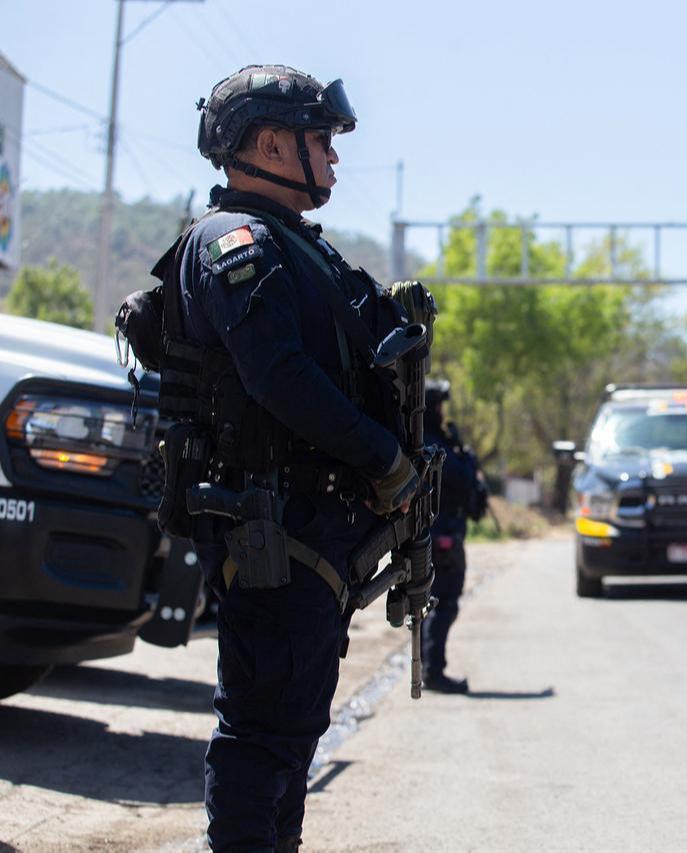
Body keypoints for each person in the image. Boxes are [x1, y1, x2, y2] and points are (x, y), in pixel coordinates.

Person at [159, 65, 427, 851]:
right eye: (321, 142)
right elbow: (278, 376)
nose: (335, 160)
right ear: (270, 142)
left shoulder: (298, 249)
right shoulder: (233, 244)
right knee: (262, 732)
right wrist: (385, 459)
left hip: (309, 532)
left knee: (293, 731)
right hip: (269, 529)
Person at [420, 380, 489, 694]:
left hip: (438, 532)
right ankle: (432, 671)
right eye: (438, 406)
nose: (442, 412)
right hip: (442, 534)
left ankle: (428, 668)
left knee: (435, 602)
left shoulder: (429, 441)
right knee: (442, 603)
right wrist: (467, 458)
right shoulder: (432, 444)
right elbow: (461, 480)